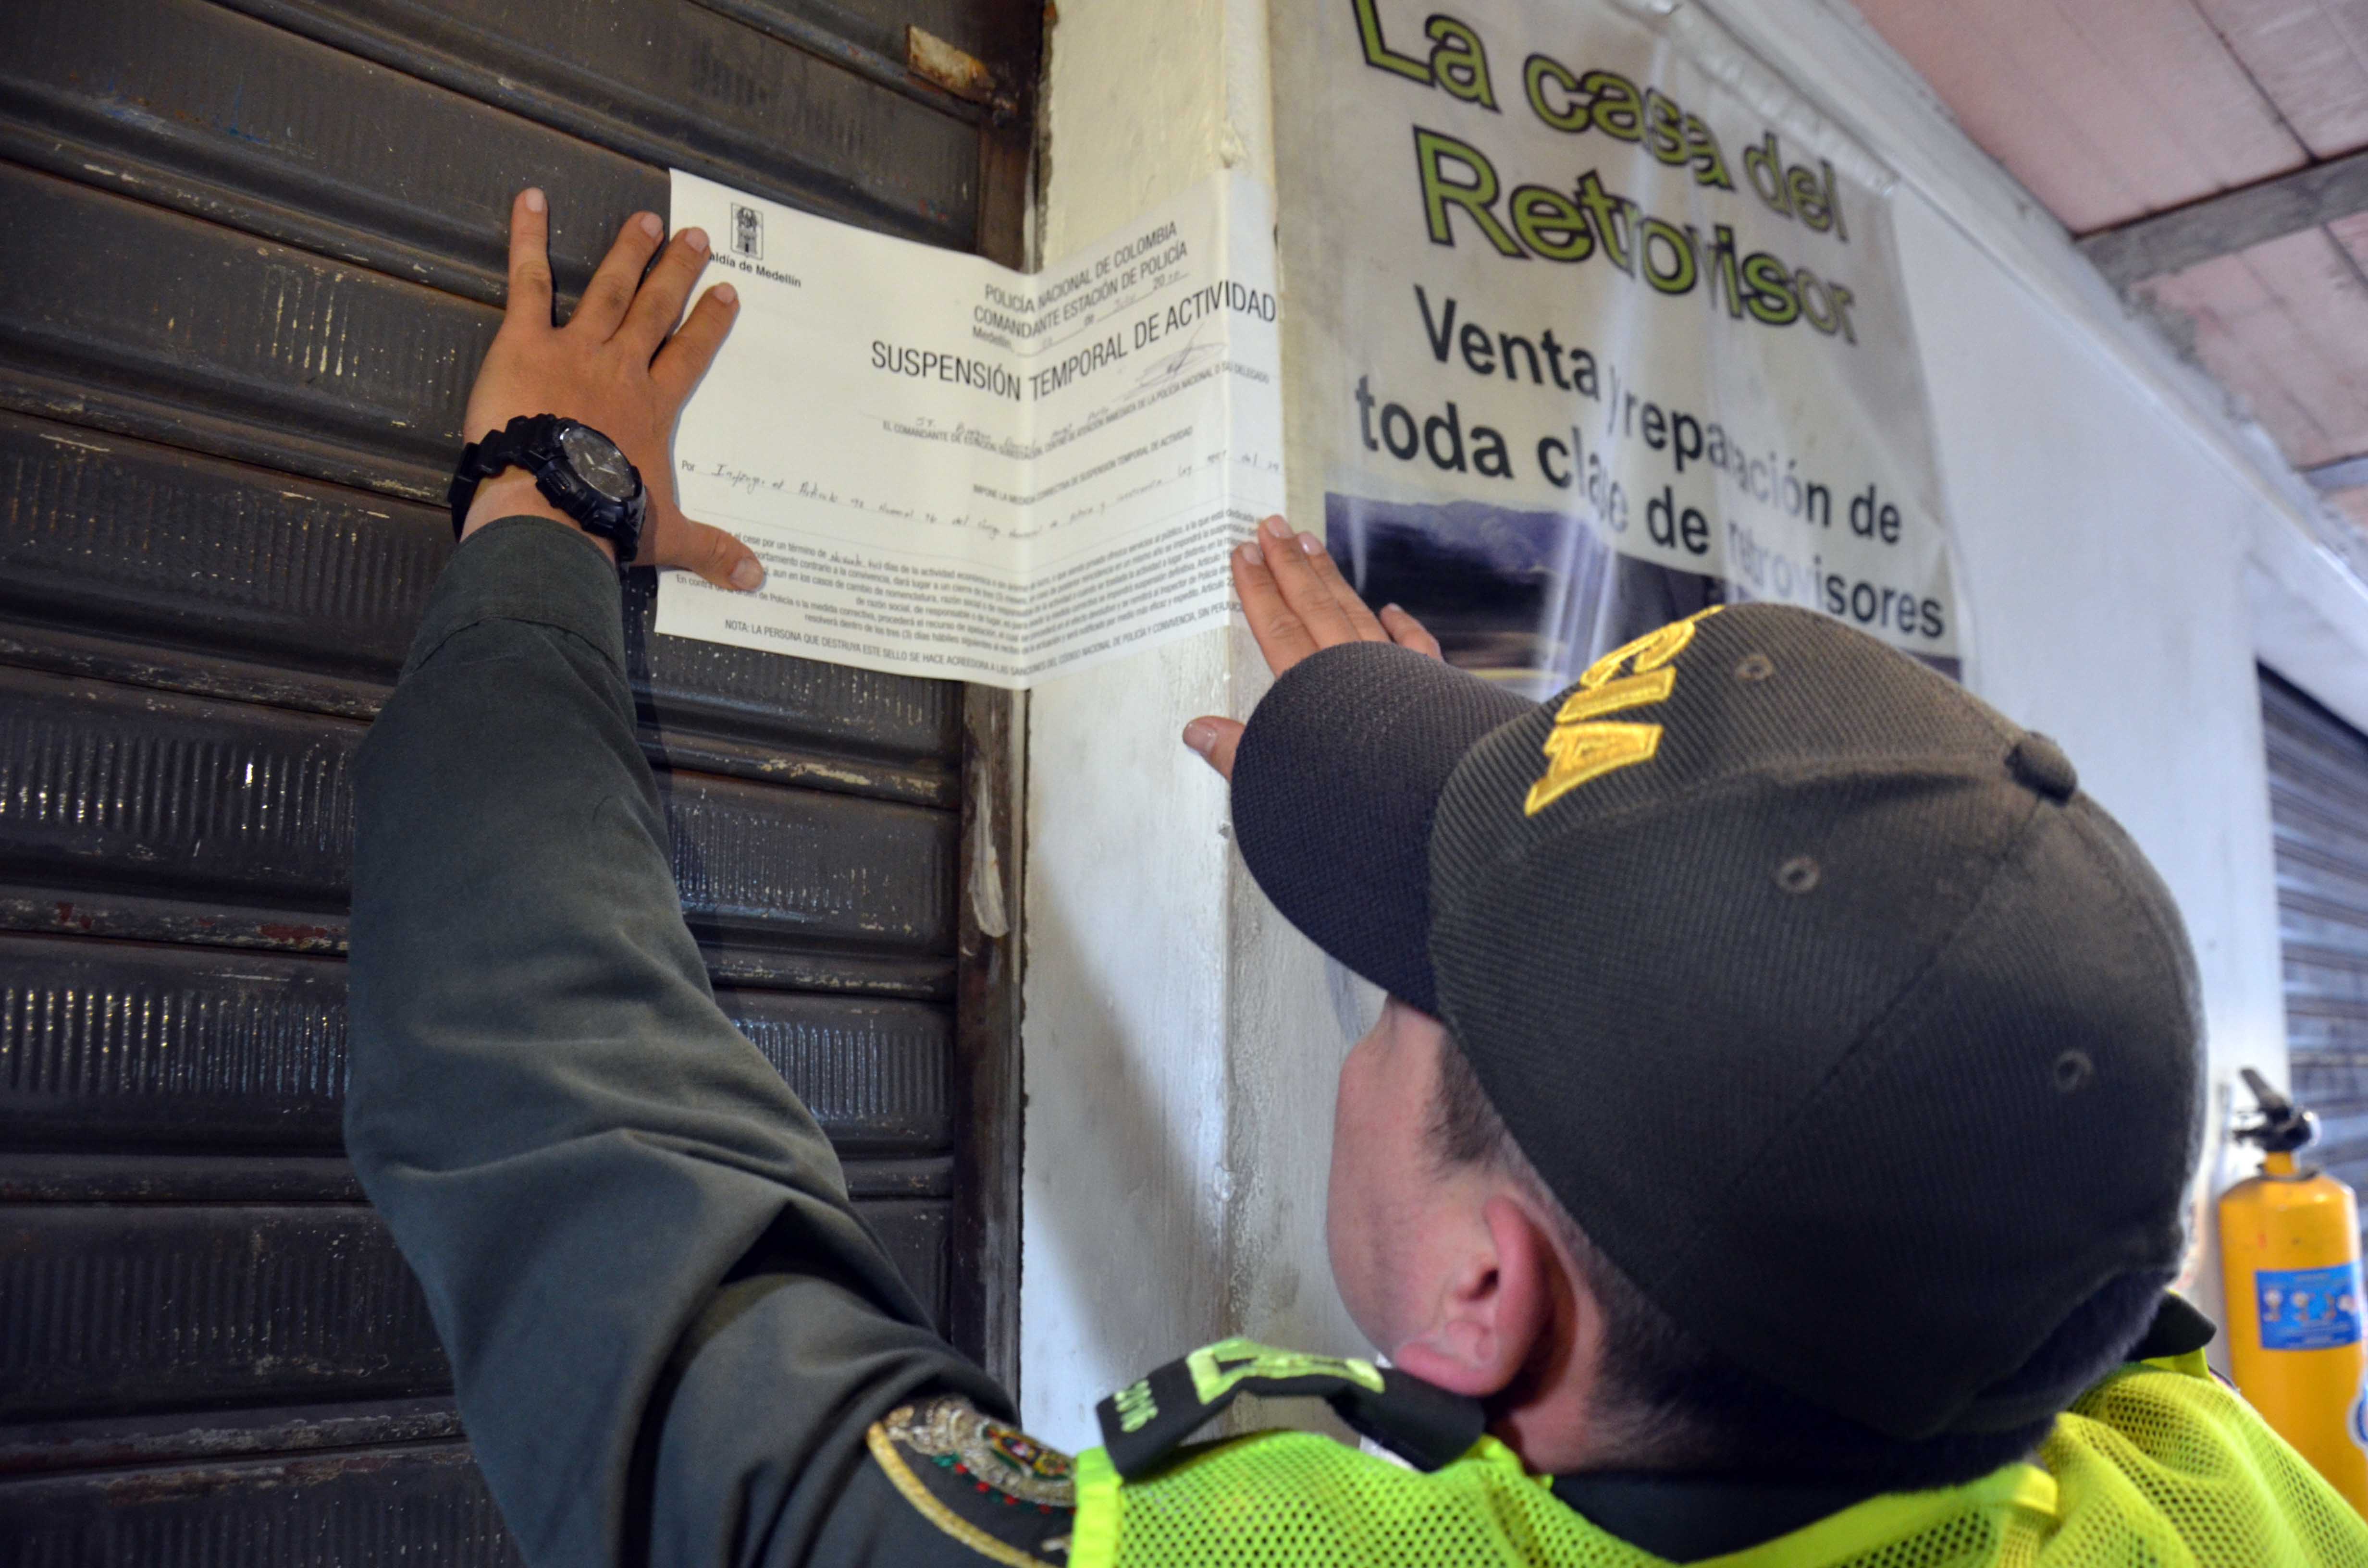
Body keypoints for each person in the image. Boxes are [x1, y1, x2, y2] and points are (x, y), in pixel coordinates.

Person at [345, 190, 2368, 1568]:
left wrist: (547, 507)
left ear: (1484, 1301)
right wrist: (1513, 912)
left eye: (1415, 992)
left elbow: (588, 1172)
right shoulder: (2211, 1488)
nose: (1380, 985)